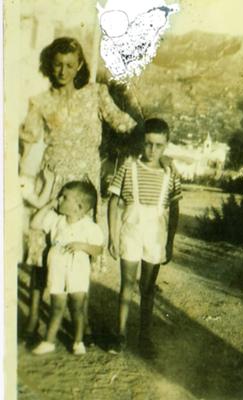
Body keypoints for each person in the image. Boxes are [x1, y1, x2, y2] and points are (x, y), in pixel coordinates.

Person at [19, 37, 136, 342]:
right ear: (50, 63)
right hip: (53, 184)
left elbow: (124, 123)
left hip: (84, 189)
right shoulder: (41, 103)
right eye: (58, 63)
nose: (63, 70)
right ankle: (33, 319)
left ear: (80, 65)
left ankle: (79, 321)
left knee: (78, 252)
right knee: (42, 250)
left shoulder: (96, 94)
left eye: (70, 64)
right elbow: (25, 141)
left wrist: (148, 139)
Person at [108, 118, 181, 357]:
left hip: (156, 235)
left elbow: (175, 208)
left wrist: (170, 242)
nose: (152, 150)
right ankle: (119, 334)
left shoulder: (171, 172)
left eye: (159, 145)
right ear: (142, 142)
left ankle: (144, 338)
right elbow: (113, 202)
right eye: (148, 143)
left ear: (166, 145)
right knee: (127, 284)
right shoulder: (129, 167)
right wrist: (112, 235)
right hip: (131, 231)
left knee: (148, 288)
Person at [31, 181, 103, 355]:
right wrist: (48, 206)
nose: (59, 199)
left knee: (77, 307)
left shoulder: (89, 227)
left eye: (64, 197)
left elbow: (98, 249)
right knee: (57, 306)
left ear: (79, 207)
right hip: (57, 269)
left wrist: (82, 246)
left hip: (77, 270)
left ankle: (78, 341)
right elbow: (35, 223)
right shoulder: (56, 220)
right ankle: (49, 341)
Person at [19, 165, 56, 345]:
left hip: (73, 173)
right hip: (44, 179)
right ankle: (33, 318)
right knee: (39, 258)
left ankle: (80, 321)